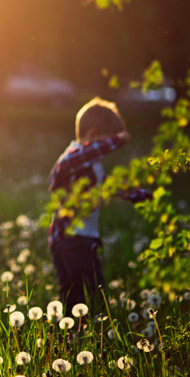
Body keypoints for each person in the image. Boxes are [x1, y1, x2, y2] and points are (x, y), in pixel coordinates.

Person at [48, 97, 151, 318]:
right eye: (103, 144)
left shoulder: (91, 166)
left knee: (93, 290)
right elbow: (81, 156)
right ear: (93, 136)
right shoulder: (70, 159)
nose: (106, 151)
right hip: (69, 240)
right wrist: (116, 140)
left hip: (85, 239)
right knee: (77, 295)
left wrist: (138, 195)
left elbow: (108, 185)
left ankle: (84, 335)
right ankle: (72, 338)